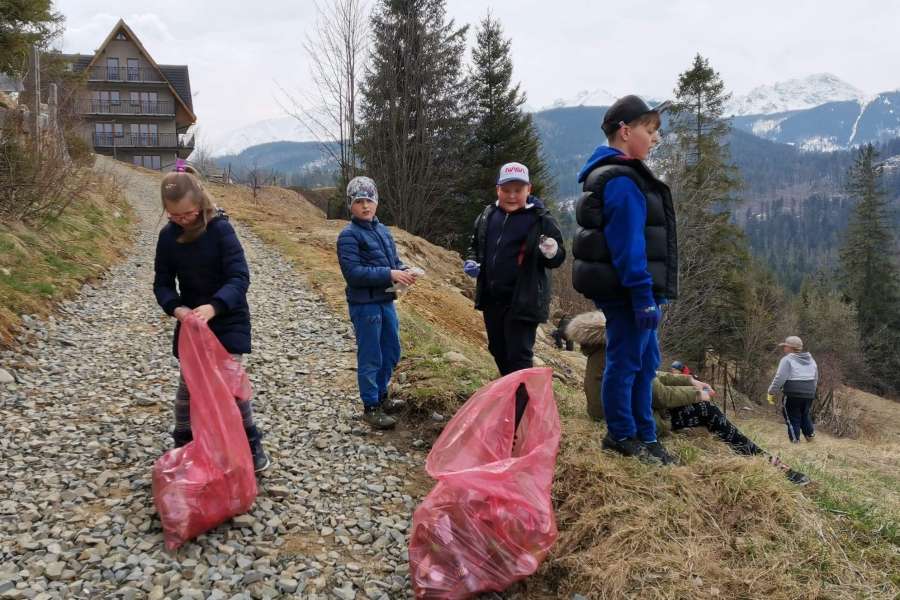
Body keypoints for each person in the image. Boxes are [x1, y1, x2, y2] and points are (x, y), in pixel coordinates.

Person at [566, 311, 810, 484]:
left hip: (619, 413)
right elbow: (657, 395)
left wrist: (688, 380)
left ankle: (761, 457)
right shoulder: (620, 348)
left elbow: (650, 376)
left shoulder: (605, 348)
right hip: (634, 420)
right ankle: (764, 461)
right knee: (708, 412)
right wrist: (697, 394)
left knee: (705, 409)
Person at [571, 95, 678, 464]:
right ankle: (620, 435)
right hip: (630, 292)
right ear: (625, 130)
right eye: (650, 131)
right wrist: (642, 295)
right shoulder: (621, 180)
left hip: (635, 291)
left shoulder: (622, 174)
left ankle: (645, 435)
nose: (655, 139)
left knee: (646, 362)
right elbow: (629, 246)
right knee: (626, 362)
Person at [153, 171, 269, 472]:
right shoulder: (167, 237)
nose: (182, 220)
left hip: (228, 320)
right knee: (187, 390)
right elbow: (162, 285)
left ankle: (250, 441)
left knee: (230, 387)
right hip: (192, 326)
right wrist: (177, 309)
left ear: (201, 204)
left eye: (188, 213)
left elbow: (240, 277)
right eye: (174, 215)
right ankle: (184, 443)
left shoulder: (221, 230)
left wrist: (214, 307)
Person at [463, 162, 566, 426]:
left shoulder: (540, 219)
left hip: (524, 301)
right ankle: (514, 396)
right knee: (498, 349)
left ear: (528, 189)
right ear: (497, 189)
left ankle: (517, 418)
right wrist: (473, 262)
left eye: (518, 190)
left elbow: (557, 258)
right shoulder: (488, 215)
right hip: (492, 298)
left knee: (519, 356)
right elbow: (475, 245)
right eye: (506, 189)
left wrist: (552, 251)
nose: (511, 196)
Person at [337, 176, 415, 430]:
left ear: (376, 202)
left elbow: (393, 261)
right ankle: (371, 406)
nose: (365, 206)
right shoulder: (348, 235)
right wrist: (389, 274)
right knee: (371, 355)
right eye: (359, 201)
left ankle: (382, 396)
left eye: (369, 200)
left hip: (385, 300)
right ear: (351, 205)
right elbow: (354, 273)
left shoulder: (383, 231)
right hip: (364, 305)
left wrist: (404, 271)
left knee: (391, 351)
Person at [768, 335, 818, 443]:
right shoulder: (811, 360)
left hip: (793, 394)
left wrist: (771, 392)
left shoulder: (787, 360)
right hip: (809, 394)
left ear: (791, 348)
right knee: (804, 415)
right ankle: (811, 437)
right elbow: (815, 378)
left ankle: (795, 442)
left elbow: (780, 378)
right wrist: (811, 392)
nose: (784, 348)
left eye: (785, 346)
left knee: (792, 417)